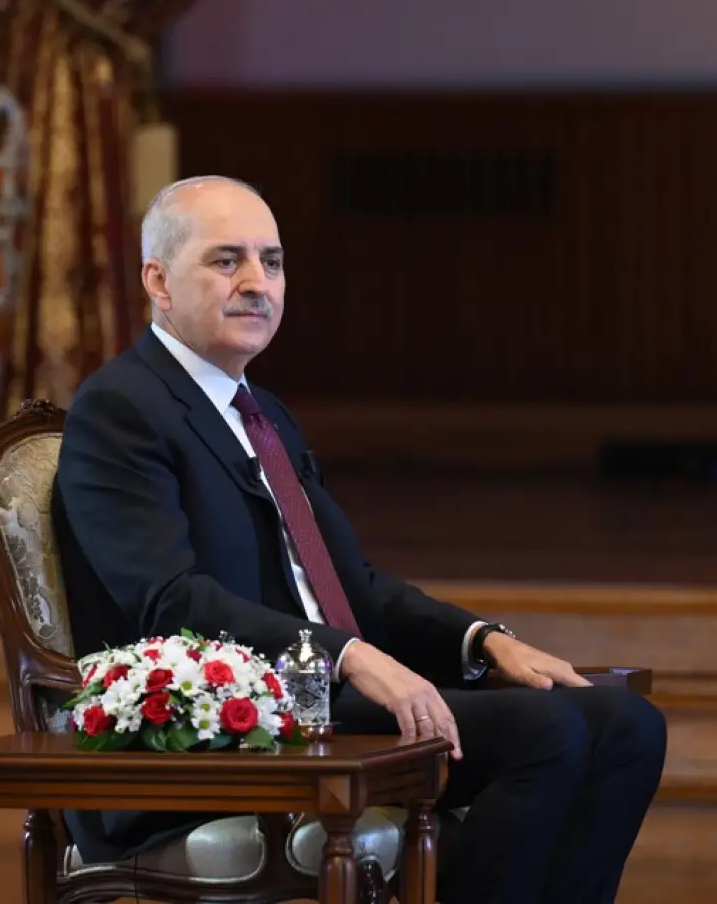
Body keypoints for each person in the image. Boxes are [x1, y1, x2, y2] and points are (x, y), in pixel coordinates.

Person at [52, 175, 667, 904]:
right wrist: (351, 655)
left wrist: (480, 640)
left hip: (328, 697)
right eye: (227, 261)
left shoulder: (262, 412)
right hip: (237, 721)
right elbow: (169, 600)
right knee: (545, 734)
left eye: (272, 261)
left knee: (628, 725)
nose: (257, 283)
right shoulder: (121, 408)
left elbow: (351, 583)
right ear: (158, 281)